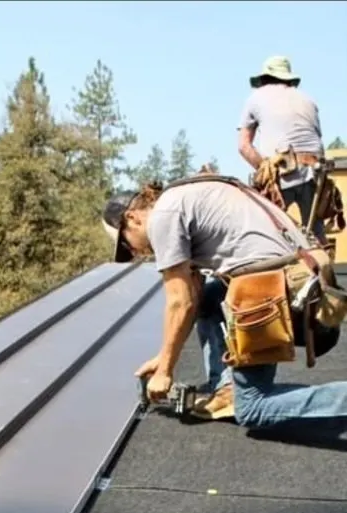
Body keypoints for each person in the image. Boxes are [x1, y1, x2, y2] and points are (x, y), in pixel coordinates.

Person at [101, 178, 347, 428]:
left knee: (252, 408)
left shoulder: (162, 219)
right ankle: (226, 387)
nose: (135, 252)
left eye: (126, 244)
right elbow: (193, 298)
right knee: (209, 297)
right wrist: (164, 357)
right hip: (307, 285)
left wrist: (165, 371)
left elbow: (180, 302)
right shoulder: (186, 197)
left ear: (133, 218)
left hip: (279, 292)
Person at [237, 55, 326, 241]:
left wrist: (266, 170)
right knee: (317, 236)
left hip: (283, 173)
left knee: (268, 234)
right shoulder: (308, 100)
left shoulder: (255, 98)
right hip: (317, 173)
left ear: (263, 79)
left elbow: (244, 146)